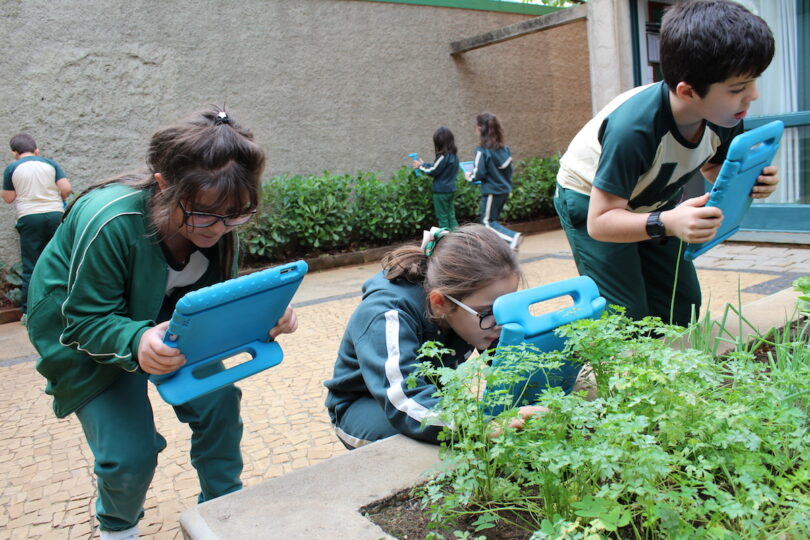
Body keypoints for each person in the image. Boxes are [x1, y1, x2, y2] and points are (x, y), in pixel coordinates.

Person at [25, 107, 298, 540]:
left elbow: (213, 302)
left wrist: (263, 318)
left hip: (165, 323)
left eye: (236, 215)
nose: (220, 229)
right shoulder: (111, 220)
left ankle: (224, 511)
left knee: (220, 404)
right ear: (164, 185)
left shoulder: (221, 222)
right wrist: (136, 340)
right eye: (205, 214)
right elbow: (82, 320)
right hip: (82, 329)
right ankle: (118, 530)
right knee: (129, 455)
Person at [553, 0, 777, 327]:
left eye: (754, 81)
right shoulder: (635, 129)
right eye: (738, 88)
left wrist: (750, 181)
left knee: (680, 304)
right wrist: (667, 223)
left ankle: (669, 372)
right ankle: (630, 374)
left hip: (654, 200)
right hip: (591, 200)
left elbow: (712, 166)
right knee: (626, 313)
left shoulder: (724, 114)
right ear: (688, 92)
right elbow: (600, 222)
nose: (752, 95)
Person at [324, 224, 541, 449]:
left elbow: (506, 363)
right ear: (440, 304)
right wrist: (481, 425)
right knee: (427, 445)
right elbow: (404, 401)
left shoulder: (476, 313)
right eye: (489, 313)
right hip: (367, 406)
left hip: (427, 395)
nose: (501, 324)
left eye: (507, 308)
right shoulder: (386, 314)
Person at [2, 133, 72, 321]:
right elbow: (66, 188)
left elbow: (8, 198)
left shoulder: (12, 168)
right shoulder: (50, 164)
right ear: (36, 150)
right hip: (55, 214)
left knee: (31, 264)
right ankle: (66, 306)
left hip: (29, 217)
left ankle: (28, 312)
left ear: (14, 153)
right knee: (60, 260)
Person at [466, 113, 521, 250]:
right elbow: (509, 171)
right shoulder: (505, 149)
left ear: (480, 129)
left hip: (491, 191)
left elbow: (479, 173)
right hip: (504, 190)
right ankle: (497, 247)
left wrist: (469, 176)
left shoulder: (482, 151)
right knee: (493, 221)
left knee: (487, 222)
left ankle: (512, 238)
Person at [412, 127, 460, 230]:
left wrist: (420, 166)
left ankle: (446, 241)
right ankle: (458, 238)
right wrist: (424, 164)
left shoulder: (442, 156)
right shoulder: (454, 156)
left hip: (441, 192)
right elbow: (437, 167)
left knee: (442, 218)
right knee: (451, 216)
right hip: (450, 190)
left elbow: (433, 171)